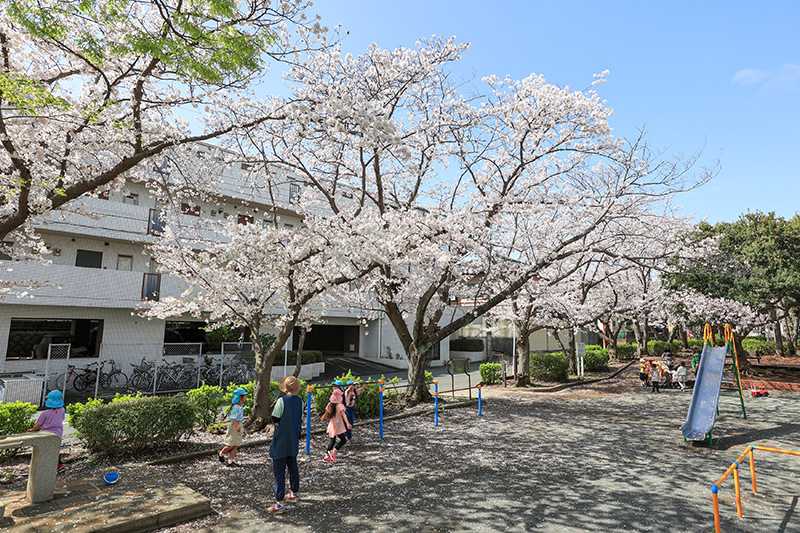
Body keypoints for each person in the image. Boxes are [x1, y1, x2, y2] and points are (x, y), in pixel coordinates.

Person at [268, 377, 303, 514]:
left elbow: (275, 418)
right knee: (293, 466)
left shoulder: (281, 401)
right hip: (293, 439)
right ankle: (293, 492)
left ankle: (279, 502)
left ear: (285, 387)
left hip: (281, 439)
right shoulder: (300, 401)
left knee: (279, 471)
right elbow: (299, 418)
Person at [28, 390, 66, 473]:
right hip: (58, 434)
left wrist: (31, 430)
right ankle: (59, 465)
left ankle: (49, 466)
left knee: (45, 450)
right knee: (55, 450)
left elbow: (37, 426)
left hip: (46, 434)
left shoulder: (44, 414)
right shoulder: (62, 410)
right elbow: (62, 419)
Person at [320, 386, 351, 463]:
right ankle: (330, 454)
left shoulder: (330, 405)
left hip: (333, 425)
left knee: (333, 441)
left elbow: (326, 413)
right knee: (342, 440)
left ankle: (329, 454)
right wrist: (347, 423)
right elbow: (344, 415)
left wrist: (323, 418)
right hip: (338, 426)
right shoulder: (339, 406)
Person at [218, 387, 247, 467]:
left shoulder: (240, 406)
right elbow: (234, 419)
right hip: (235, 426)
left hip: (238, 425)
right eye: (244, 396)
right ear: (240, 397)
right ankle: (221, 453)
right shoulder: (236, 407)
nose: (246, 397)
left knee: (236, 444)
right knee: (231, 444)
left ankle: (231, 461)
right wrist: (237, 428)